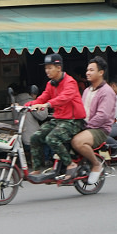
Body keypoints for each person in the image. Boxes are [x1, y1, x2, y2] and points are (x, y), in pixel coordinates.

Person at [25, 53, 86, 181]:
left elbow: (63, 98)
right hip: (58, 120)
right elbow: (42, 97)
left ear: (59, 68)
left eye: (50, 67)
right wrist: (27, 105)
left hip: (73, 121)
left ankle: (71, 164)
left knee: (51, 138)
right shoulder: (50, 84)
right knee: (35, 137)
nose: (47, 71)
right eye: (46, 68)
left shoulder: (70, 82)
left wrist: (47, 104)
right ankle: (36, 169)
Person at [71, 56, 117, 185]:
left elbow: (102, 116)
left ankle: (96, 164)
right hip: (86, 126)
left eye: (91, 70)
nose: (87, 73)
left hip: (99, 129)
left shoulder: (107, 92)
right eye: (87, 70)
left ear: (101, 72)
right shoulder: (87, 90)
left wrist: (86, 126)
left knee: (77, 141)